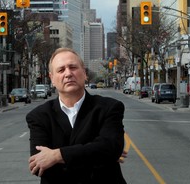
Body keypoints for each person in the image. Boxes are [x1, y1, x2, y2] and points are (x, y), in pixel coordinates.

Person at [26, 48, 127, 184]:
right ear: (52, 79)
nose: (68, 74)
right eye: (61, 70)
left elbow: (110, 149)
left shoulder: (109, 107)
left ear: (84, 73)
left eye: (73, 67)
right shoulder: (38, 116)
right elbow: (39, 167)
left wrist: (57, 155)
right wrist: (96, 153)